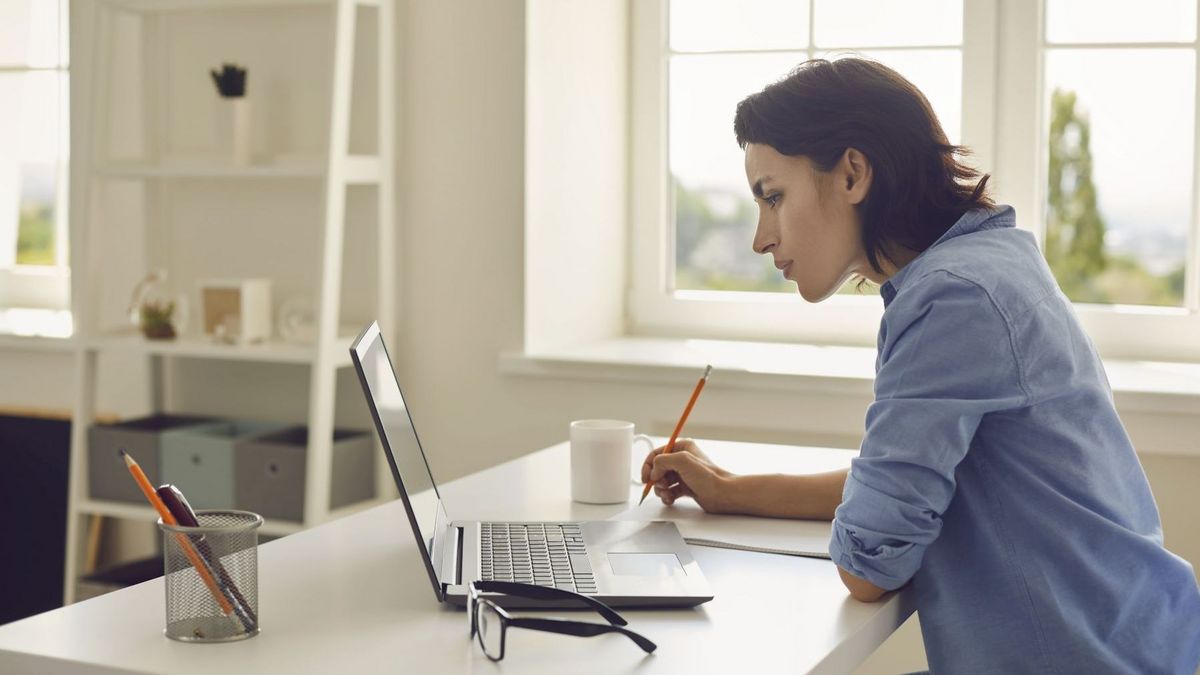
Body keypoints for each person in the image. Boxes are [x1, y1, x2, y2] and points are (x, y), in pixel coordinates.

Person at [641, 57, 1200, 674]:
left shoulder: (952, 298)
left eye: (773, 197)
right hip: (1139, 643)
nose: (761, 237)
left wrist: (863, 518)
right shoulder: (990, 258)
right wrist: (731, 492)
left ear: (852, 173)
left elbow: (867, 565)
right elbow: (908, 490)